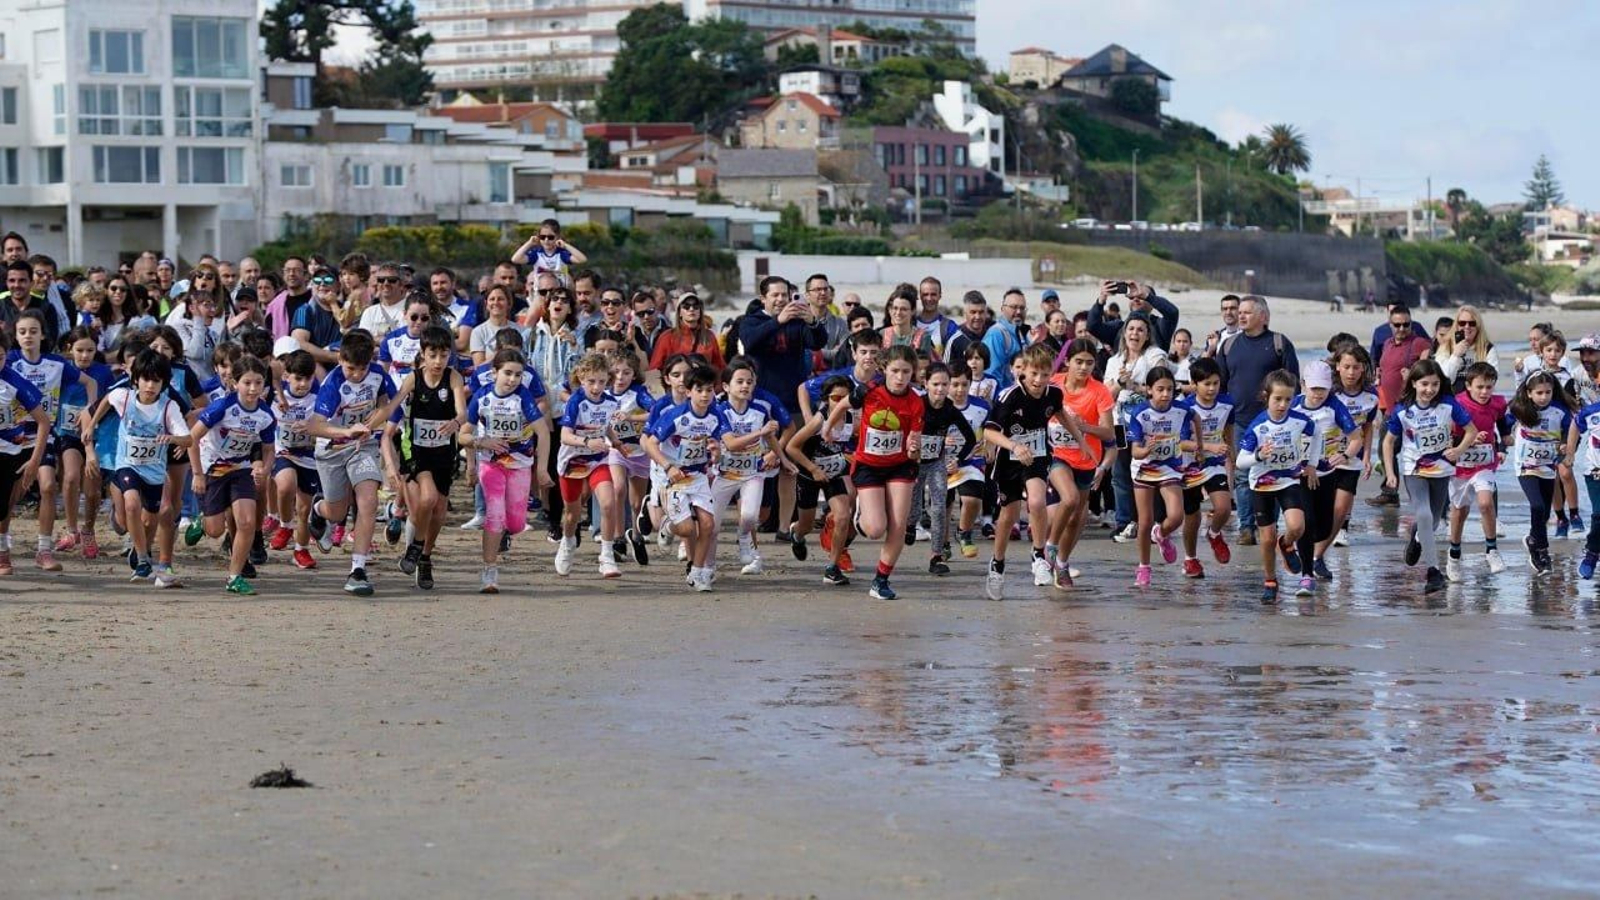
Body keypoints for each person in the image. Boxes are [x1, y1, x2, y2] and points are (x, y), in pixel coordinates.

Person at [981, 344, 1083, 600]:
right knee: (1008, 517)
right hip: (1009, 460)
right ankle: (997, 563)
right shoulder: (1010, 396)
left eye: (1045, 374)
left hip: (1037, 457)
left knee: (1037, 501)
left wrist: (1080, 440)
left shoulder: (1053, 394)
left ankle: (1038, 556)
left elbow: (1061, 414)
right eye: (1034, 374)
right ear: (1023, 372)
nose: (1039, 380)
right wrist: (1014, 445)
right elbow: (989, 431)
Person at [81, 349, 186, 583]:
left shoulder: (169, 407)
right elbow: (106, 400)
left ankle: (143, 549)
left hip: (155, 472)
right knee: (131, 504)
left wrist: (173, 439)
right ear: (136, 379)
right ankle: (142, 560)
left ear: (164, 383)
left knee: (150, 519)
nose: (150, 385)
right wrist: (92, 426)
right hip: (127, 464)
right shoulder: (123, 396)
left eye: (156, 381)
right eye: (145, 379)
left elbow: (187, 437)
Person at [306, 329, 398, 597]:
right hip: (332, 449)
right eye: (349, 368)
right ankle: (319, 509)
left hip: (363, 446)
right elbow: (315, 426)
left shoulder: (379, 375)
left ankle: (358, 569)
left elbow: (387, 404)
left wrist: (373, 423)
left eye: (361, 369)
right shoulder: (333, 384)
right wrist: (346, 432)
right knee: (336, 512)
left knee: (368, 500)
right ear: (340, 360)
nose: (356, 374)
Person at [830, 345, 926, 601]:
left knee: (899, 523)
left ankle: (881, 580)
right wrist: (829, 429)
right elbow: (841, 406)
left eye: (906, 371)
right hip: (869, 466)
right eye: (895, 371)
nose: (900, 377)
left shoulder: (916, 402)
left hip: (901, 465)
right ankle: (863, 513)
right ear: (884, 369)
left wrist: (914, 448)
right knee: (874, 529)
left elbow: (915, 448)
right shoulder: (869, 391)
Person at [8, 311, 100, 571]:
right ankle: (4, 545)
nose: (28, 336)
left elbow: (90, 382)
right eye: (23, 331)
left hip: (42, 435)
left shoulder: (56, 364)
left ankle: (44, 549)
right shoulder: (10, 361)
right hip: (11, 436)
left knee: (48, 486)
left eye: (33, 331)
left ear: (43, 334)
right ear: (15, 335)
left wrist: (89, 411)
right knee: (10, 495)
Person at [739, 276, 824, 551]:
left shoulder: (798, 320)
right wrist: (778, 321)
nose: (780, 300)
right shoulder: (751, 320)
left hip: (793, 401)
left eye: (784, 295)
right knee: (751, 466)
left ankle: (784, 526)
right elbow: (750, 342)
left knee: (789, 468)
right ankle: (747, 525)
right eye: (774, 295)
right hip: (760, 402)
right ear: (764, 298)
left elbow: (817, 341)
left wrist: (811, 320)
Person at [1381, 359, 1478, 594]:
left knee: (1432, 522)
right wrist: (1390, 473)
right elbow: (1388, 441)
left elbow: (1471, 431)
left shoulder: (1448, 405)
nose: (1429, 389)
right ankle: (1433, 572)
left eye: (1434, 384)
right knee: (1424, 514)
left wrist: (1459, 450)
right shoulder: (1403, 411)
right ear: (1413, 383)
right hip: (1414, 469)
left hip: (1442, 470)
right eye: (1424, 384)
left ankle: (1416, 537)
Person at [189, 355, 276, 595]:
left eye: (258, 383)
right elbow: (192, 440)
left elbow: (269, 450)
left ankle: (234, 576)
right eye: (247, 382)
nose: (253, 388)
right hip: (213, 468)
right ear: (235, 383)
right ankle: (202, 520)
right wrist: (197, 473)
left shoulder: (266, 415)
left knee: (247, 522)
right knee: (215, 530)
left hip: (241, 469)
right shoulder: (221, 407)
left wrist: (265, 469)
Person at [463, 348, 548, 593]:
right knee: (495, 515)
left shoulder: (523, 398)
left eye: (518, 375)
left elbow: (542, 432)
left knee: (516, 522)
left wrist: (541, 470)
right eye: (507, 373)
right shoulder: (481, 396)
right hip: (491, 464)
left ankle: (505, 533)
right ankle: (489, 571)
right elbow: (463, 434)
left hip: (520, 464)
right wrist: (481, 442)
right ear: (495, 373)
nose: (512, 380)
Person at [1216, 295, 1300, 539]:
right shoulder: (1229, 345)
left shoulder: (1279, 343)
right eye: (1239, 312)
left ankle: (1268, 526)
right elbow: (1220, 385)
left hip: (1272, 423)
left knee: (1271, 473)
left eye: (1247, 312)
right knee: (1243, 475)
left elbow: (1293, 384)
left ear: (1263, 316)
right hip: (1239, 420)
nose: (1240, 316)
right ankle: (1246, 526)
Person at [1236, 369, 1320, 604]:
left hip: (1289, 479)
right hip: (1262, 483)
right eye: (1277, 399)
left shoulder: (1299, 420)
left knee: (1297, 526)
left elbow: (1317, 434)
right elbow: (1241, 461)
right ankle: (1270, 580)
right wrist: (1259, 456)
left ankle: (1286, 544)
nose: (1283, 405)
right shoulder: (1258, 426)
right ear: (1266, 396)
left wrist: (1311, 464)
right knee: (1266, 538)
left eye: (1288, 399)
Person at [642, 363, 728, 591]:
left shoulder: (716, 417)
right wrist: (668, 466)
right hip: (675, 478)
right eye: (699, 390)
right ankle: (668, 527)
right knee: (687, 529)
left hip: (698, 476)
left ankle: (698, 573)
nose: (705, 395)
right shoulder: (675, 416)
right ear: (688, 392)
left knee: (708, 524)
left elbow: (718, 445)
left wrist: (716, 452)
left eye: (709, 390)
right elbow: (651, 443)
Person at [708, 358, 787, 578]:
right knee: (712, 526)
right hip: (724, 475)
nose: (745, 386)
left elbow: (771, 439)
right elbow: (731, 443)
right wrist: (759, 433)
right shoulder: (718, 411)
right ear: (726, 386)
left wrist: (783, 459)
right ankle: (708, 566)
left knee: (750, 516)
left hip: (753, 473)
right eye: (739, 381)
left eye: (749, 382)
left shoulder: (761, 410)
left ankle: (744, 539)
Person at [555, 352, 624, 578]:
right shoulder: (575, 402)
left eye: (602, 381)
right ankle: (567, 542)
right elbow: (565, 436)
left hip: (598, 461)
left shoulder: (611, 403)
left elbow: (605, 427)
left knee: (608, 502)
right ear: (581, 379)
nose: (597, 387)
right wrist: (586, 441)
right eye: (591, 381)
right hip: (572, 462)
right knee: (572, 514)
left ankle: (606, 556)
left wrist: (615, 442)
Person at [1290, 360, 1357, 591]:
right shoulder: (1293, 406)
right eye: (1314, 388)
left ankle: (1301, 551)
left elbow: (1356, 437)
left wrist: (1346, 455)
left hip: (1326, 473)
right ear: (1304, 385)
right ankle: (1306, 574)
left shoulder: (1335, 406)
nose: (1318, 394)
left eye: (1323, 389)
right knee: (1306, 524)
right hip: (1298, 475)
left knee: (1325, 527)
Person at [784, 375, 857, 583]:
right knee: (806, 525)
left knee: (843, 516)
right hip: (809, 476)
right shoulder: (819, 420)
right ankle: (796, 534)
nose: (840, 402)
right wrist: (813, 469)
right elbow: (792, 447)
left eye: (845, 397)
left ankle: (832, 568)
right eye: (835, 397)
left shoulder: (852, 419)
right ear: (826, 399)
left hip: (833, 475)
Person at [1102, 315, 1169, 541]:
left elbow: (1161, 386)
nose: (1135, 334)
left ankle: (1153, 523)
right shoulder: (1114, 361)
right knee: (1120, 474)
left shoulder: (1154, 356)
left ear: (1147, 335)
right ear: (1124, 332)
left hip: (1147, 426)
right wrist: (1120, 383)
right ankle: (1124, 522)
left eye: (1140, 330)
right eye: (1131, 329)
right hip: (1120, 424)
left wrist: (1135, 386)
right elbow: (1105, 396)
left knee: (1151, 472)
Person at [1126, 366, 1190, 588]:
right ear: (1149, 390)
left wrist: (1199, 445)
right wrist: (1148, 448)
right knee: (1144, 521)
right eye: (1160, 389)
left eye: (1170, 389)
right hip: (1144, 467)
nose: (1165, 394)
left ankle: (1161, 533)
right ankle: (1144, 567)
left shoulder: (1181, 410)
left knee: (1176, 516)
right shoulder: (1140, 414)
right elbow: (1135, 452)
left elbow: (1197, 420)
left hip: (1170, 466)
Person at [1447, 361, 1510, 580]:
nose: (1484, 392)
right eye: (1480, 387)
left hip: (1485, 464)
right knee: (1460, 512)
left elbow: (1501, 420)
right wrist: (1469, 441)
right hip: (1461, 465)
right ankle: (1454, 555)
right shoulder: (1457, 404)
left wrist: (1503, 442)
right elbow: (1449, 436)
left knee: (1485, 502)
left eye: (1489, 387)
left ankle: (1492, 550)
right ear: (1468, 386)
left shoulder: (1498, 403)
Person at [912, 361, 976, 576]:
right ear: (925, 384)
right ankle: (910, 526)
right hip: (913, 463)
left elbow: (970, 439)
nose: (940, 389)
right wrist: (909, 445)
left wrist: (957, 458)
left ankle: (936, 556)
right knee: (912, 508)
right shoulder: (917, 404)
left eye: (944, 384)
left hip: (936, 463)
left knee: (939, 509)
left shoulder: (950, 410)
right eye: (936, 384)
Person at [1509, 370, 1575, 577]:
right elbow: (1500, 420)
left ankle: (1532, 539)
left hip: (1548, 466)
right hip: (1526, 465)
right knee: (1536, 505)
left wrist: (1566, 445)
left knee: (1544, 513)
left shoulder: (1560, 410)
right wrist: (1500, 441)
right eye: (1539, 393)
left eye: (1547, 392)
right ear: (1529, 393)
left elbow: (1572, 431)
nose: (1543, 396)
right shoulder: (1519, 409)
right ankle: (1541, 552)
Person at [1175, 357, 1234, 578]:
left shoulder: (1227, 403)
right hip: (1188, 467)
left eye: (1215, 383)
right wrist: (1207, 445)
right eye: (1206, 384)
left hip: (1214, 464)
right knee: (1192, 516)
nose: (1211, 389)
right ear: (1195, 383)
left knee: (1224, 507)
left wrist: (1232, 455)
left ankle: (1214, 533)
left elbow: (1229, 428)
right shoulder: (1184, 408)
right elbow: (1179, 442)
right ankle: (1190, 559)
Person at [269, 347, 322, 570]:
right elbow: (269, 367)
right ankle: (284, 524)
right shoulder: (275, 397)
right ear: (286, 376)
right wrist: (279, 392)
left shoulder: (317, 399)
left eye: (307, 379)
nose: (302, 384)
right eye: (298, 379)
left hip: (308, 457)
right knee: (286, 485)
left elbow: (325, 424)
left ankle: (300, 550)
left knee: (303, 509)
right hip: (284, 451)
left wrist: (312, 428)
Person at [1088, 280, 1180, 352]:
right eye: (1132, 296)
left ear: (1153, 304)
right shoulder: (1118, 327)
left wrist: (1148, 297)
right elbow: (1092, 326)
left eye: (1141, 296)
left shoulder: (1159, 326)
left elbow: (1172, 313)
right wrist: (1100, 301)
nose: (1136, 299)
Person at [649, 293, 724, 374]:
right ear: (680, 312)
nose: (691, 309)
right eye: (686, 306)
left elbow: (719, 367)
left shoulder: (709, 336)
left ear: (700, 311)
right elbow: (654, 370)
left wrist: (715, 386)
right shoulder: (667, 337)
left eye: (696, 306)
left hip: (703, 384)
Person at [1435, 306, 1500, 394]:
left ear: (1478, 326)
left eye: (1472, 323)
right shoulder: (1446, 347)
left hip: (1477, 399)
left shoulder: (1487, 349)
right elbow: (1445, 379)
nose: (1467, 326)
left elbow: (1493, 379)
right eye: (1462, 323)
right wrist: (1455, 356)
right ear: (1457, 326)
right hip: (1451, 398)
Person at [981, 288, 1029, 387]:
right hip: (1003, 397)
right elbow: (992, 375)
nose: (1019, 312)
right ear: (1003, 309)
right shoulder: (996, 334)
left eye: (1022, 308)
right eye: (1014, 307)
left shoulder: (1020, 333)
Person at [511, 219, 587, 280]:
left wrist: (566, 246)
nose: (546, 240)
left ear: (557, 237)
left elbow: (582, 259)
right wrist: (529, 243)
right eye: (543, 237)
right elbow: (515, 259)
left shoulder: (562, 254)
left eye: (550, 237)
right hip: (541, 293)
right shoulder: (536, 253)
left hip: (559, 294)